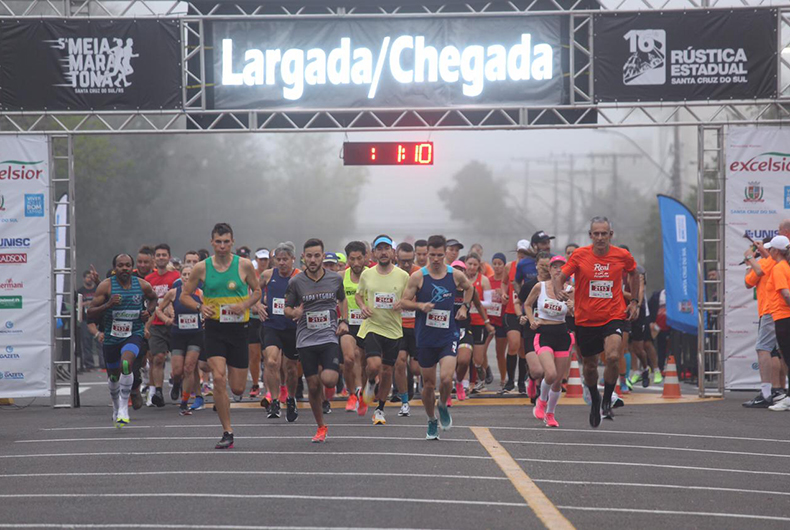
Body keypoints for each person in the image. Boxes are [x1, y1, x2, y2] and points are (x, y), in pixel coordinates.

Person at [181, 223, 262, 449]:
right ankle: (227, 431)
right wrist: (200, 307)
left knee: (237, 388)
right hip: (214, 329)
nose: (222, 246)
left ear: (232, 242)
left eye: (226, 241)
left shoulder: (244, 265)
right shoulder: (202, 267)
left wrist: (244, 305)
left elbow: (257, 291)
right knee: (218, 378)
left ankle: (226, 398)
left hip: (238, 329)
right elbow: (185, 296)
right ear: (212, 243)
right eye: (218, 242)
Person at [554, 217, 640, 428]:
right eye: (596, 234)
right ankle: (594, 399)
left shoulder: (622, 255)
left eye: (604, 233)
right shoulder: (580, 255)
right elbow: (561, 277)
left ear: (611, 235)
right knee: (590, 367)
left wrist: (634, 301)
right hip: (586, 319)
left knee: (613, 356)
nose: (600, 238)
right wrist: (558, 290)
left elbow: (634, 273)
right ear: (590, 235)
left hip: (613, 315)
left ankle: (607, 401)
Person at [401, 235, 474, 440]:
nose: (435, 259)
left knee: (446, 378)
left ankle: (442, 404)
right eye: (432, 255)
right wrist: (419, 305)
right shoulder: (418, 277)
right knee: (428, 385)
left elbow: (470, 288)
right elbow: (404, 302)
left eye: (439, 255)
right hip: (425, 337)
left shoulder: (455, 275)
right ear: (426, 254)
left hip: (447, 335)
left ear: (445, 254)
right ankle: (431, 419)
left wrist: (464, 307)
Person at [284, 238, 348, 443]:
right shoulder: (296, 282)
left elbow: (342, 299)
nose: (313, 260)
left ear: (323, 256)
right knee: (312, 386)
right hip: (306, 340)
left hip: (328, 336)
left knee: (329, 379)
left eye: (317, 256)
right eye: (309, 256)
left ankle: (326, 377)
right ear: (303, 257)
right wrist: (294, 312)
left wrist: (344, 321)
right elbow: (286, 308)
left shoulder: (335, 279)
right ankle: (321, 426)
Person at [87, 254, 158, 427]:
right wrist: (108, 305)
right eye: (120, 265)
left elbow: (154, 298)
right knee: (113, 376)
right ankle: (116, 406)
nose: (124, 268)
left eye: (127, 265)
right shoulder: (106, 286)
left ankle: (124, 409)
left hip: (133, 333)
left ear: (132, 267)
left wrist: (148, 312)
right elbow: (90, 312)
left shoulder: (142, 285)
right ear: (114, 268)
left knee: (126, 364)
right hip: (112, 338)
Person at [355, 235, 410, 425]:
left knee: (387, 371)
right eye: (380, 249)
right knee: (373, 365)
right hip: (372, 326)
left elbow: (410, 298)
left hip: (393, 330)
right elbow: (358, 295)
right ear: (373, 253)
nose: (383, 252)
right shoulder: (367, 274)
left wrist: (403, 303)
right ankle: (371, 382)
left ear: (393, 252)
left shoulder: (403, 276)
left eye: (387, 248)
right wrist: (363, 306)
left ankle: (380, 409)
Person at [524, 255, 574, 427]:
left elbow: (575, 313)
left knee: (558, 380)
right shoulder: (540, 287)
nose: (558, 270)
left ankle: (550, 414)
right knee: (550, 374)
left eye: (562, 267)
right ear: (550, 270)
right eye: (555, 267)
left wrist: (572, 307)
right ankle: (541, 401)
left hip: (562, 335)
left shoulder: (570, 290)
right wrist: (532, 321)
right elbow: (527, 304)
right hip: (544, 334)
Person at [259, 242, 301, 422]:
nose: (282, 263)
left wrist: (300, 309)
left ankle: (291, 399)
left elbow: (308, 296)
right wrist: (257, 304)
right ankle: (275, 401)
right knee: (271, 361)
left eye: (285, 259)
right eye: (279, 259)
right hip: (272, 325)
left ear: (293, 259)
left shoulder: (299, 277)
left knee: (291, 368)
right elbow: (253, 290)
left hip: (292, 328)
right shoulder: (268, 275)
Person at [155, 264, 204, 415]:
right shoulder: (173, 292)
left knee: (189, 368)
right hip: (178, 335)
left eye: (190, 274)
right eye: (184, 274)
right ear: (180, 276)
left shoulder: (200, 293)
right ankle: (177, 383)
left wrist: (205, 319)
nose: (187, 277)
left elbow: (207, 309)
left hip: (195, 334)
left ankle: (184, 402)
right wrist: (167, 320)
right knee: (177, 371)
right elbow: (158, 309)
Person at [743, 236, 781, 407]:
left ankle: (767, 393)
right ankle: (778, 390)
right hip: (778, 311)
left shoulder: (767, 262)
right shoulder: (778, 262)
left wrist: (748, 259)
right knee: (776, 352)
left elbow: (749, 280)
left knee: (765, 349)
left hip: (769, 310)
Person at [144, 244, 181, 407]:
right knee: (157, 358)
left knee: (179, 363)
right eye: (158, 255)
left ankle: (177, 382)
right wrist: (146, 325)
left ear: (169, 257)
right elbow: (146, 303)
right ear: (154, 258)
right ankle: (158, 392)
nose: (161, 258)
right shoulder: (148, 280)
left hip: (174, 324)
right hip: (155, 324)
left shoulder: (176, 277)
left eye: (164, 255)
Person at [341, 241, 368, 415]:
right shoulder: (340, 276)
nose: (356, 263)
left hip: (367, 324)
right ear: (348, 259)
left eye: (359, 258)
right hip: (348, 323)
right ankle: (352, 393)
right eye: (352, 259)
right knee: (350, 358)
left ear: (365, 257)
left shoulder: (372, 275)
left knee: (364, 363)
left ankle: (362, 394)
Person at [501, 240, 531, 394]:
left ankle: (521, 383)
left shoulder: (532, 267)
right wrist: (504, 293)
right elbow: (504, 283)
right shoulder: (509, 266)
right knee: (513, 344)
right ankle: (510, 381)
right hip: (512, 311)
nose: (522, 255)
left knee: (523, 349)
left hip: (527, 312)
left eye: (525, 252)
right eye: (520, 252)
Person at [396, 242, 421, 414]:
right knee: (400, 362)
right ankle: (404, 401)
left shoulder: (420, 273)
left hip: (417, 327)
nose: (406, 264)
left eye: (409, 261)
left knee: (416, 368)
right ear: (396, 257)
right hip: (398, 326)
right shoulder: (392, 274)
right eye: (402, 261)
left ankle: (414, 381)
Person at [487, 253, 509, 388]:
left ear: (504, 265)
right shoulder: (488, 281)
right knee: (480, 350)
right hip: (489, 320)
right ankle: (485, 372)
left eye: (499, 264)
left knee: (500, 353)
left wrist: (503, 294)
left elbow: (510, 301)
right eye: (494, 263)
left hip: (502, 320)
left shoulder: (506, 282)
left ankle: (503, 378)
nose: (497, 266)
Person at [77, 269, 100, 370]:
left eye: (91, 277)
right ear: (83, 278)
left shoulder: (98, 290)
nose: (89, 279)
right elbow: (76, 304)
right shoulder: (80, 291)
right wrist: (85, 304)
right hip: (85, 320)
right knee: (86, 343)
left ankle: (103, 363)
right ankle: (89, 364)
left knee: (100, 341)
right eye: (87, 277)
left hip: (98, 319)